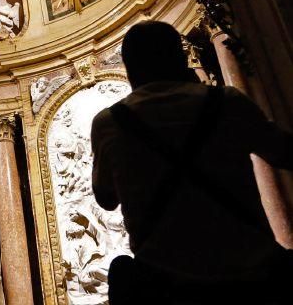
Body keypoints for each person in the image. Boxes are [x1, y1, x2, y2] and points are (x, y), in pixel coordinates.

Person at [90, 21, 293, 303]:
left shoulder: (110, 123)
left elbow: (106, 198)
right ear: (181, 58)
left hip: (167, 286)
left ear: (129, 69)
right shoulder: (227, 102)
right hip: (253, 273)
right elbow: (283, 152)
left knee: (121, 271)